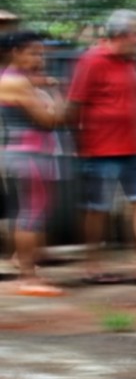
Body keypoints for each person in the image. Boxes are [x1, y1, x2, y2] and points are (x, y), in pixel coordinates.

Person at [67, 9, 136, 285]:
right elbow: (75, 104)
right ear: (121, 35)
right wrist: (79, 145)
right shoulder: (92, 60)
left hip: (135, 147)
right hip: (100, 149)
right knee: (97, 208)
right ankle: (92, 265)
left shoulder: (129, 61)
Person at [0, 30, 64, 295]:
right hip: (29, 156)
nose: (40, 59)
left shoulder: (14, 79)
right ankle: (27, 276)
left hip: (22, 154)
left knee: (28, 213)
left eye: (41, 54)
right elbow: (50, 121)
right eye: (34, 53)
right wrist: (56, 95)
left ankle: (25, 265)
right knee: (32, 214)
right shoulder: (16, 82)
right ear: (16, 53)